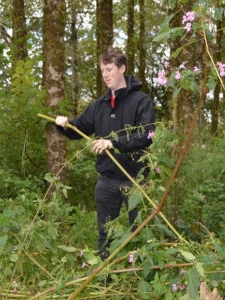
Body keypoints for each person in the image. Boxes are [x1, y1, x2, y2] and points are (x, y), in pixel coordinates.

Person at [55, 50, 155, 260]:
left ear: (122, 69)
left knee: (140, 233)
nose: (105, 75)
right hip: (107, 181)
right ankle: (105, 276)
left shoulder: (141, 101)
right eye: (102, 71)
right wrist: (65, 125)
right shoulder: (99, 106)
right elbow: (79, 128)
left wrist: (113, 143)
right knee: (105, 234)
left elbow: (146, 135)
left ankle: (144, 282)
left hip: (134, 180)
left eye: (109, 69)